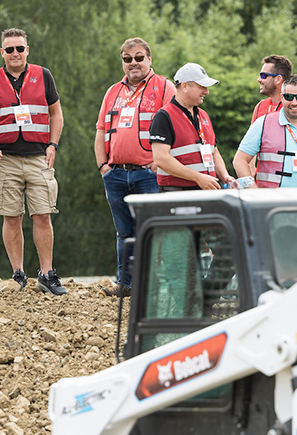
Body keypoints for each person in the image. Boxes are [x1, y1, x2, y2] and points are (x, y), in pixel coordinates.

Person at [0, 28, 67, 295]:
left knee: (43, 215)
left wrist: (53, 144)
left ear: (27, 50)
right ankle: (18, 274)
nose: (15, 53)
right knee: (11, 216)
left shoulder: (43, 75)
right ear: (1, 53)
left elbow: (56, 114)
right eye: (9, 49)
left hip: (39, 156)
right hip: (5, 159)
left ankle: (47, 273)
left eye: (20, 48)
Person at [94, 38, 174, 298]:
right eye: (127, 59)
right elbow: (101, 131)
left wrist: (157, 163)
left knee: (151, 230)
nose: (133, 63)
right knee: (124, 233)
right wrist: (103, 166)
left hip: (148, 173)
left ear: (149, 59)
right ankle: (126, 284)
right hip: (115, 173)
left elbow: (176, 127)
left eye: (139, 58)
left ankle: (152, 287)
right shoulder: (113, 91)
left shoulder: (164, 87)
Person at [149, 63, 233, 191]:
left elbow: (214, 152)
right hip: (177, 193)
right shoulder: (164, 116)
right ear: (185, 86)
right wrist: (197, 177)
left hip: (205, 189)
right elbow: (161, 159)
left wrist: (225, 176)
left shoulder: (203, 115)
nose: (207, 92)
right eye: (202, 87)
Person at [251, 55, 291, 122]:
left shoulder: (293, 106)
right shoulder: (260, 106)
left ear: (278, 79)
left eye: (263, 75)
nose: (259, 79)